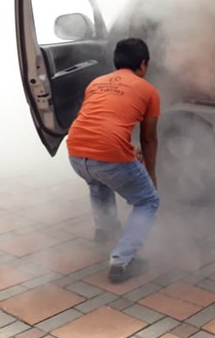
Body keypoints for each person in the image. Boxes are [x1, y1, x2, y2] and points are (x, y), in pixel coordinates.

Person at [67, 38, 161, 284]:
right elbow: (149, 140)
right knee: (148, 201)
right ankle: (122, 261)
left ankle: (105, 231)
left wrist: (128, 150)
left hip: (76, 152)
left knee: (98, 182)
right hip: (106, 154)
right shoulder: (148, 89)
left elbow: (102, 122)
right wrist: (151, 176)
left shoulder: (96, 83)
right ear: (143, 64)